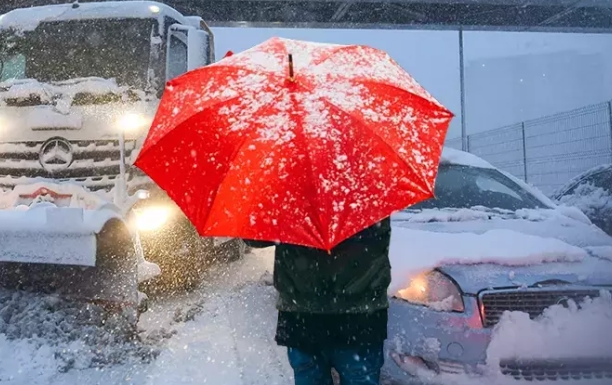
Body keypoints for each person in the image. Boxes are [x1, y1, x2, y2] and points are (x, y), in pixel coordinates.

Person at [244, 217, 392, 385]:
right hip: (361, 317)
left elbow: (252, 235)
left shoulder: (290, 199)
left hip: (302, 315)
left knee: (310, 375)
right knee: (359, 376)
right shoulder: (369, 195)